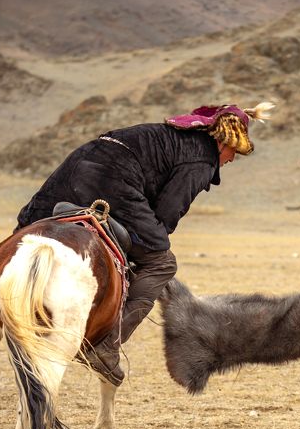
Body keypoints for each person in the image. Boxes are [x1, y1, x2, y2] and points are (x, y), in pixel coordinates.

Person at [16, 102, 274, 385]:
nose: (232, 159)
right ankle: (106, 343)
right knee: (162, 262)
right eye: (233, 151)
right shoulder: (201, 158)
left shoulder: (175, 139)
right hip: (115, 178)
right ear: (222, 141)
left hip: (80, 162)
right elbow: (167, 211)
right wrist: (152, 242)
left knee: (26, 234)